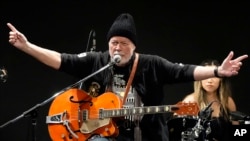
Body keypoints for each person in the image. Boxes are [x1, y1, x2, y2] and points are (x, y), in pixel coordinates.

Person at [6, 13, 248, 141]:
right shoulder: (97, 61)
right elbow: (61, 59)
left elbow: (183, 70)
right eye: (114, 43)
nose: (117, 48)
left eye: (123, 43)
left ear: (133, 47)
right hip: (101, 135)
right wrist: (27, 47)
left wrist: (217, 71)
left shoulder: (151, 64)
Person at [181, 59, 239, 141]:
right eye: (206, 76)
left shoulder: (228, 101)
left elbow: (236, 131)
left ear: (221, 79)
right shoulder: (189, 101)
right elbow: (180, 133)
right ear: (200, 78)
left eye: (214, 76)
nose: (209, 81)